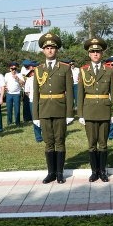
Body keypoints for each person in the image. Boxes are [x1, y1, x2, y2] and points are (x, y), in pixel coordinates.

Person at [33, 33, 74, 184]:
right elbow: (35, 95)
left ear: (57, 50)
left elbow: (70, 93)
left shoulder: (64, 68)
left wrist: (70, 113)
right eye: (47, 48)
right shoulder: (38, 70)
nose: (50, 50)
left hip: (60, 110)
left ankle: (60, 173)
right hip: (44, 110)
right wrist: (35, 116)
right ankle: (50, 172)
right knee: (48, 142)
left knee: (60, 141)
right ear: (43, 50)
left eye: (52, 48)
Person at [77, 37, 113, 182]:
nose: (95, 54)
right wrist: (80, 114)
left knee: (103, 143)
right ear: (88, 54)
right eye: (92, 51)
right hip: (89, 110)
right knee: (92, 143)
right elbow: (80, 93)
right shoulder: (83, 70)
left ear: (102, 53)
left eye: (98, 51)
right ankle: (94, 171)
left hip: (105, 110)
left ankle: (103, 171)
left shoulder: (109, 70)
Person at [22, 60, 42, 142]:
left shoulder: (43, 79)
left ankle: (46, 134)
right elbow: (27, 92)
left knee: (43, 118)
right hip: (33, 101)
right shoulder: (29, 80)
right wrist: (31, 97)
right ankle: (38, 136)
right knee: (35, 118)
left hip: (42, 101)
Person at [4, 62, 24, 127]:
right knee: (9, 108)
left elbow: (23, 83)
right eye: (12, 69)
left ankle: (17, 122)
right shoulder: (7, 75)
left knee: (17, 109)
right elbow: (4, 83)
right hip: (9, 94)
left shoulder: (19, 74)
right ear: (10, 69)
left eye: (15, 69)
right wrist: (5, 87)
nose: (13, 70)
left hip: (17, 94)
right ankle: (9, 122)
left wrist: (17, 78)